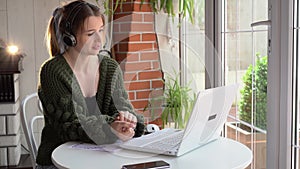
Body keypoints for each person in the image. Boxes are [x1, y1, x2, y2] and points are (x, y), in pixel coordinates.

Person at [36, 0, 145, 168]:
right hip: (59, 161)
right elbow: (69, 126)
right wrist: (111, 126)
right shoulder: (52, 71)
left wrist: (128, 121)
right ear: (70, 37)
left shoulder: (110, 67)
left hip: (103, 157)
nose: (99, 39)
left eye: (101, 30)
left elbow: (123, 108)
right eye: (90, 33)